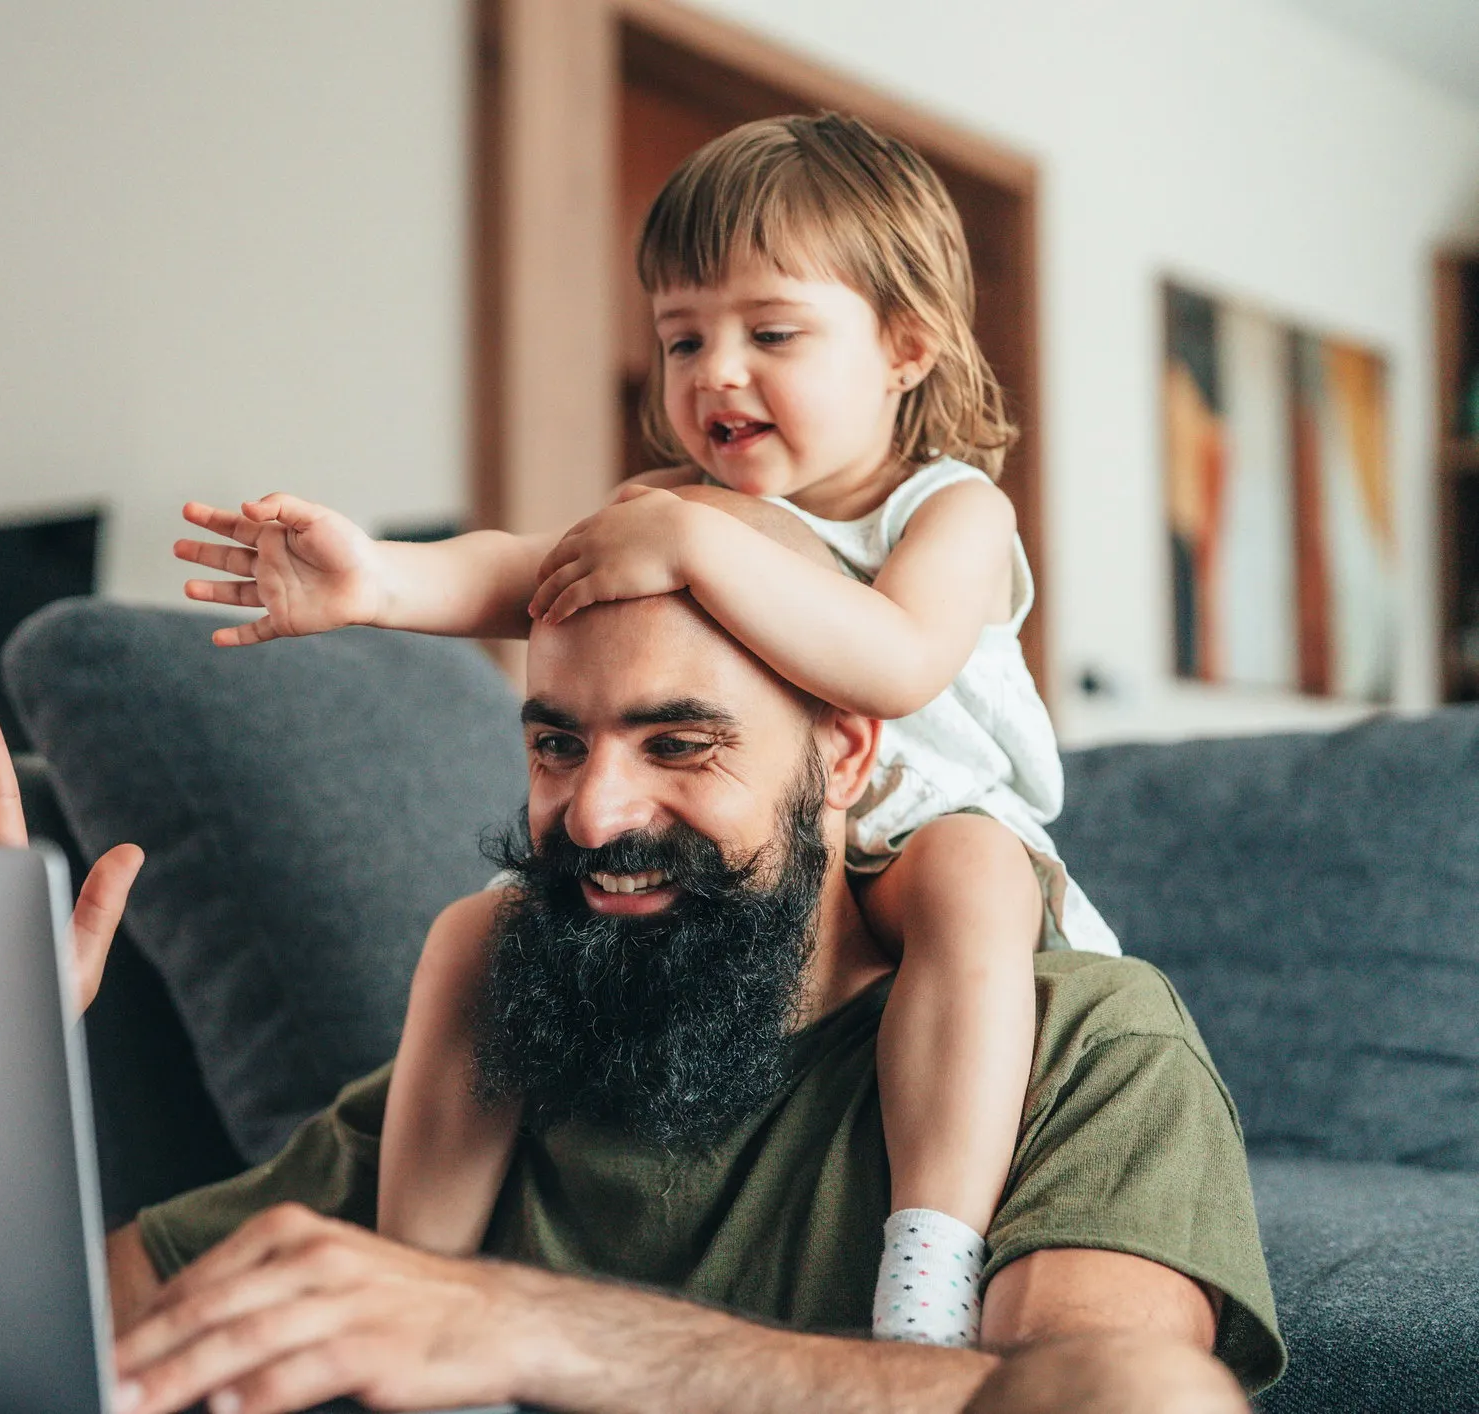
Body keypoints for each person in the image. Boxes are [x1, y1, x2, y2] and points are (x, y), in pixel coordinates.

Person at [0, 493, 1283, 1414]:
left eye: (678, 745)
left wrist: (531, 1330)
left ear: (845, 752)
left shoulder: (1085, 1048)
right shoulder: (499, 1043)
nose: (594, 810)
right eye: (556, 742)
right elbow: (34, 1346)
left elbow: (1117, 1395)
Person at [172, 112, 1107, 1347]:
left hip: (923, 836)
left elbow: (896, 660)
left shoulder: (952, 511)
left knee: (975, 879)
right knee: (474, 935)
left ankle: (929, 1261)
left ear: (904, 346)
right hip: (751, 863)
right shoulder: (671, 504)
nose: (718, 371)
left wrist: (694, 543)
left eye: (771, 332)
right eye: (682, 336)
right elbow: (529, 571)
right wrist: (378, 584)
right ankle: (405, 1289)